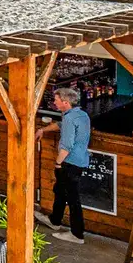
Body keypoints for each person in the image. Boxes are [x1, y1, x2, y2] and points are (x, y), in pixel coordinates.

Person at [46, 86, 91, 244]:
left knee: (72, 198)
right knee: (60, 190)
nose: (54, 103)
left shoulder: (70, 118)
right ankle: (55, 220)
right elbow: (61, 124)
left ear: (65, 102)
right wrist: (43, 130)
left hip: (69, 162)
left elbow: (67, 145)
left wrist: (58, 163)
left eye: (56, 100)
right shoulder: (81, 114)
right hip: (81, 160)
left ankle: (77, 234)